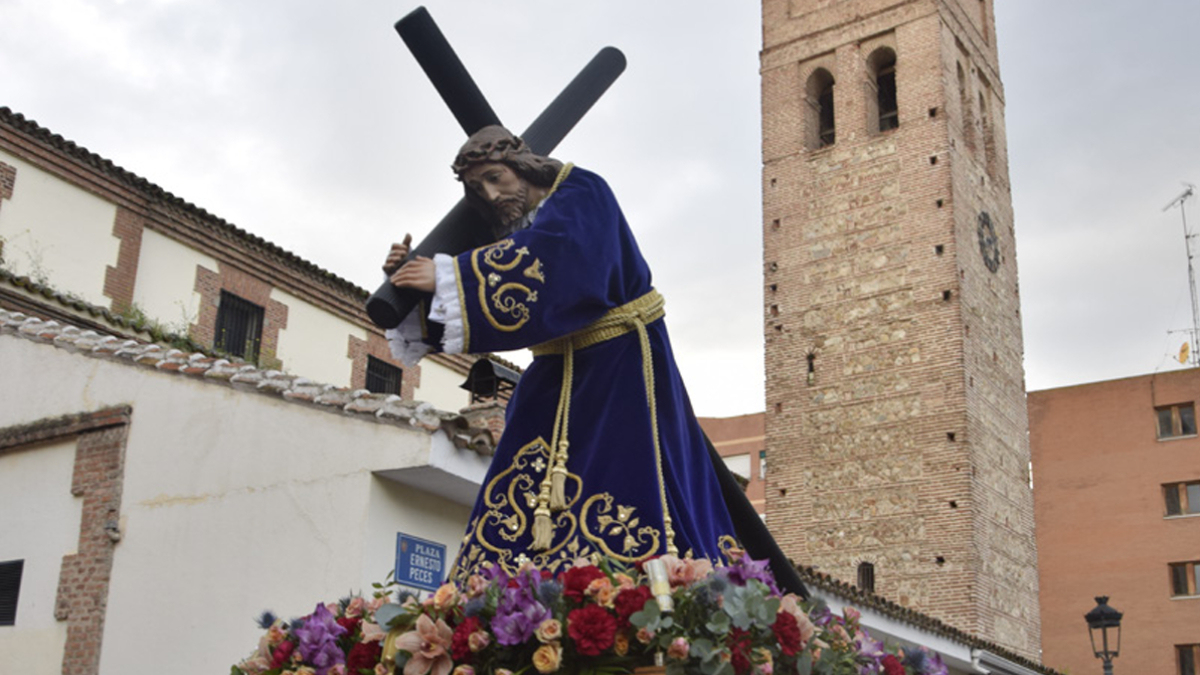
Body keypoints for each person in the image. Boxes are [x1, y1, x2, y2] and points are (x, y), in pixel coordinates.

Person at [385, 125, 738, 580]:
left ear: (522, 165)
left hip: (617, 365)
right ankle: (495, 600)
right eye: (477, 188)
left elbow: (566, 264)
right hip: (555, 372)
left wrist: (449, 274)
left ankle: (633, 588)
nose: (491, 194)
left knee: (622, 478)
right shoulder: (512, 230)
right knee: (519, 476)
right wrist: (412, 282)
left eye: (496, 177)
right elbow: (494, 304)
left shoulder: (582, 189)